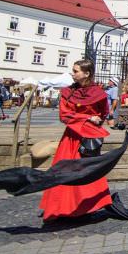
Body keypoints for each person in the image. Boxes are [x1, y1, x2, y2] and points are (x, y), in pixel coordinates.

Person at [39, 60, 112, 221]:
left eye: (76, 71)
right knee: (65, 170)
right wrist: (87, 117)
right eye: (73, 70)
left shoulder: (98, 93)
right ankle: (62, 206)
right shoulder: (67, 92)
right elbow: (64, 115)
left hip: (89, 137)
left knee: (88, 171)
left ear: (87, 73)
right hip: (72, 136)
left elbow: (103, 113)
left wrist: (98, 120)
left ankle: (88, 206)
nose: (73, 73)